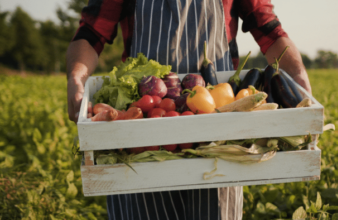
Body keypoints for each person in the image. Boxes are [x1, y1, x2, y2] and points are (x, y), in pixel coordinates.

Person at [66, 0, 311, 219]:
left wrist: (298, 75)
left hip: (219, 136)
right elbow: (91, 33)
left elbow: (268, 27)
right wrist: (77, 78)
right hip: (144, 135)